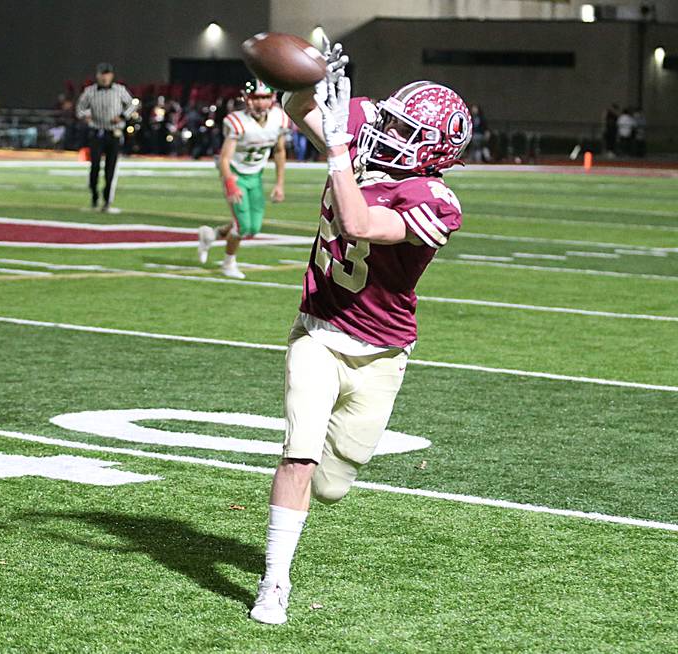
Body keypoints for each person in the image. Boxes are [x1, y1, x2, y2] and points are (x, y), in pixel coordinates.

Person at [247, 39, 472, 625]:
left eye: (406, 130)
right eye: (392, 121)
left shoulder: (435, 201)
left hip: (382, 353)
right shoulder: (365, 142)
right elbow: (298, 109)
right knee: (298, 456)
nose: (390, 132)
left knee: (333, 485)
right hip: (319, 330)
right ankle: (275, 582)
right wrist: (309, 77)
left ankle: (313, 495)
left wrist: (341, 152)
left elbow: (357, 221)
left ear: (434, 153)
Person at [197, 80, 289, 279]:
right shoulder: (237, 122)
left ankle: (211, 235)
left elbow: (280, 151)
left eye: (264, 97)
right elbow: (224, 158)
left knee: (253, 227)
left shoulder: (279, 118)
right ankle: (228, 263)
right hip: (235, 173)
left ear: (272, 98)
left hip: (255, 175)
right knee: (243, 226)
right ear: (247, 99)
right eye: (256, 97)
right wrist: (229, 182)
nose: (261, 103)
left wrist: (279, 183)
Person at [75, 62, 136, 212]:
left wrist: (122, 116)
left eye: (107, 74)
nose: (104, 77)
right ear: (98, 75)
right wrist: (86, 116)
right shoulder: (90, 91)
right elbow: (80, 109)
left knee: (111, 168)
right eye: (102, 74)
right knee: (94, 165)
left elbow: (132, 104)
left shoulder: (119, 90)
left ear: (111, 76)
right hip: (97, 131)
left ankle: (107, 199)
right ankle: (94, 195)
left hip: (113, 132)